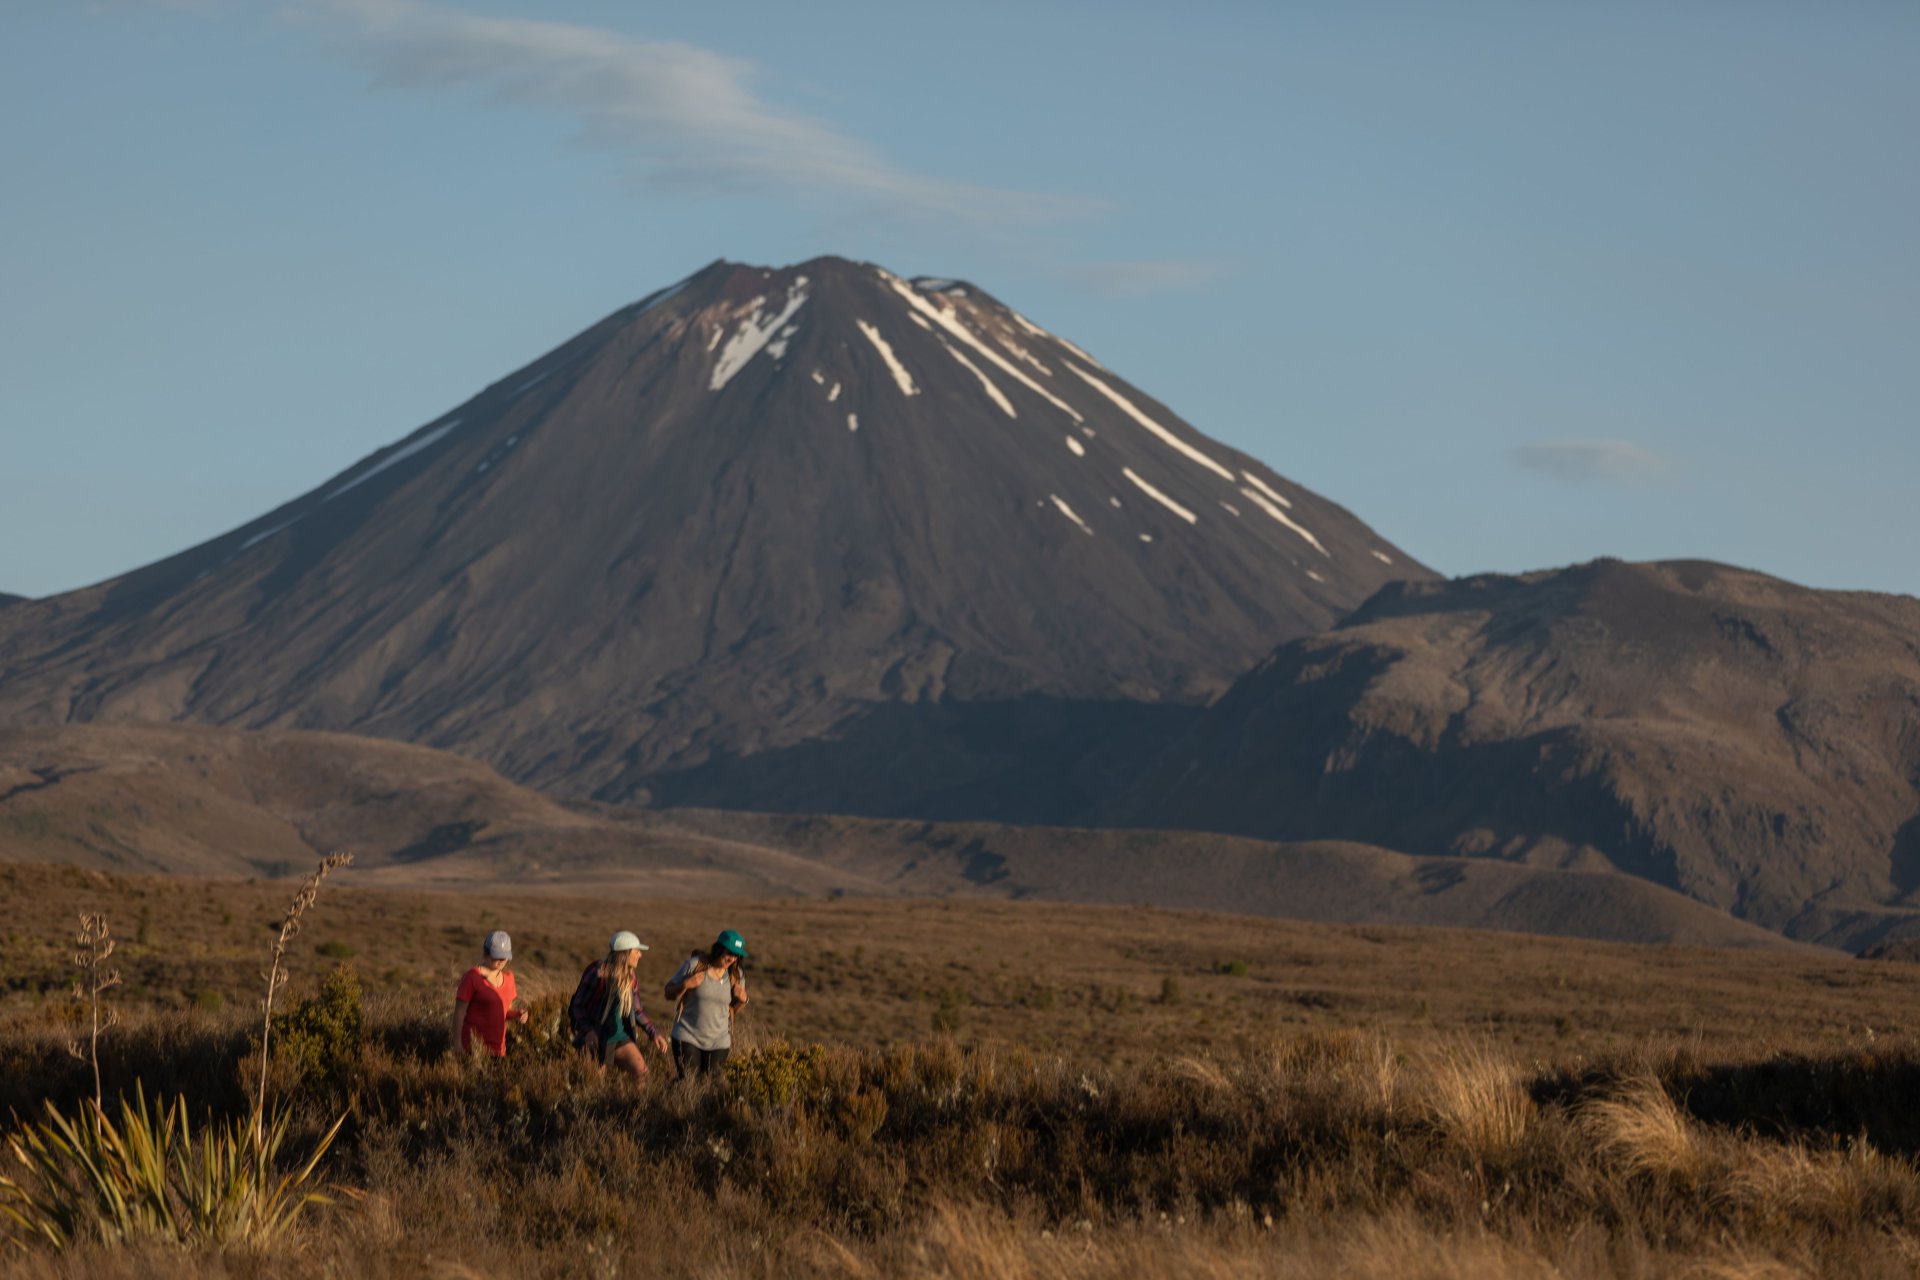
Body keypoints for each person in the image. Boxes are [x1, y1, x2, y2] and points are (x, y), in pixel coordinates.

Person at [568, 930, 671, 1082]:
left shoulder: (631, 978)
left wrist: (654, 1033)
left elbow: (636, 1010)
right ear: (625, 953)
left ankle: (637, 1106)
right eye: (637, 951)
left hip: (618, 1036)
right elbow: (578, 1005)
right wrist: (588, 1031)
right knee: (594, 1083)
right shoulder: (597, 973)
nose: (640, 955)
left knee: (642, 1074)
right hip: (595, 1037)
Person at [663, 929, 750, 1078]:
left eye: (736, 955)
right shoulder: (695, 965)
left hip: (720, 1040)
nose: (732, 959)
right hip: (688, 1035)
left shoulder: (737, 975)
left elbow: (731, 1011)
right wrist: (685, 984)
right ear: (718, 949)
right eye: (729, 953)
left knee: (713, 1084)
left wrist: (743, 1000)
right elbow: (668, 993)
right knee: (689, 1082)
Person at [452, 929, 529, 1058]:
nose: (501, 960)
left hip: (498, 1051)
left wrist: (519, 1014)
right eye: (496, 956)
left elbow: (504, 1012)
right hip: (472, 1050)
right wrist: (457, 1045)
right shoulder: (472, 977)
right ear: (486, 953)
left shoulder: (509, 978)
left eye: (504, 957)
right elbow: (459, 1013)